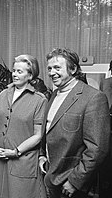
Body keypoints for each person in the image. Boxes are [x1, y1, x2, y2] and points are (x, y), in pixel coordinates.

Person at [39, 48, 110, 198]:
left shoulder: (94, 98)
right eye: (50, 68)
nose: (52, 72)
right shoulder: (54, 95)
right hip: (52, 177)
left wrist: (75, 181)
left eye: (57, 68)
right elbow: (49, 129)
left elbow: (97, 149)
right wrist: (42, 155)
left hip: (73, 184)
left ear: (73, 69)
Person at [0, 54, 48, 198]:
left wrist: (16, 151)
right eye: (14, 71)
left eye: (19, 72)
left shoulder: (39, 100)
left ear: (30, 75)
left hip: (22, 161)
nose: (14, 74)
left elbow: (38, 135)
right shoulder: (3, 94)